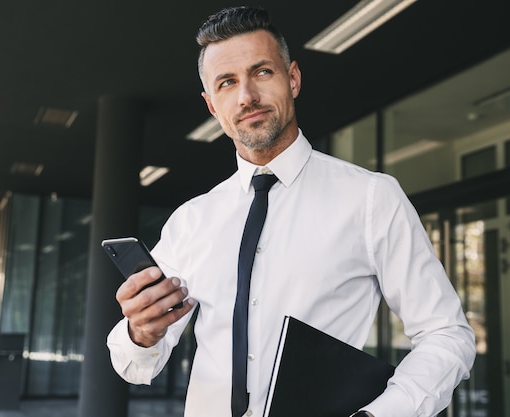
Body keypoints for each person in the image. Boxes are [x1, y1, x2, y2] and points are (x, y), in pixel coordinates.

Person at [107, 6, 475, 417]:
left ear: (293, 78)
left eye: (262, 72)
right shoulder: (192, 220)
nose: (246, 96)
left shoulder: (371, 198)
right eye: (227, 83)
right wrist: (140, 333)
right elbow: (135, 366)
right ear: (212, 105)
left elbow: (447, 334)